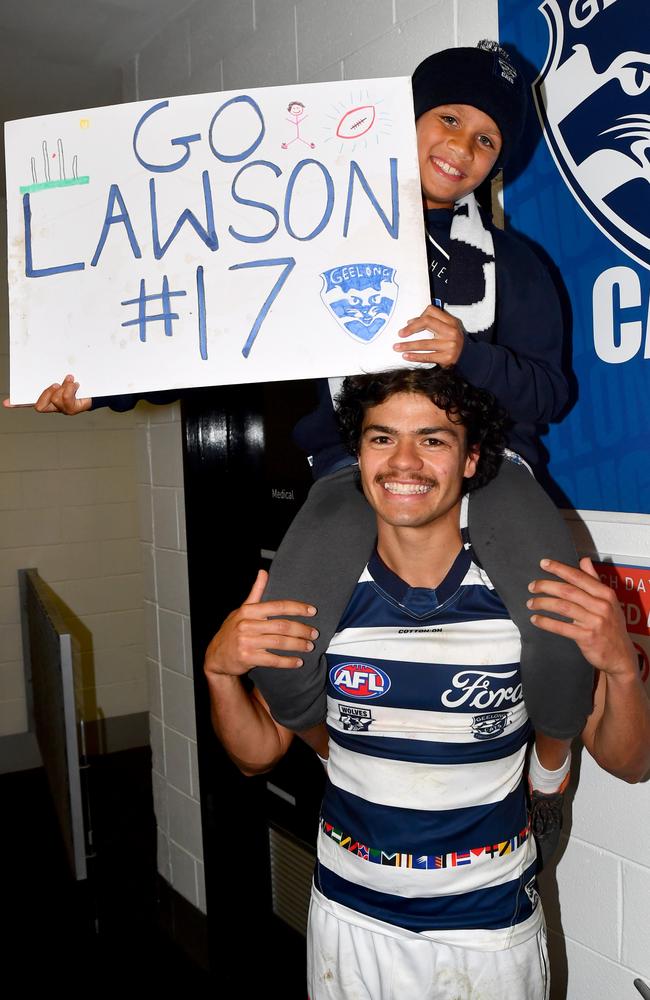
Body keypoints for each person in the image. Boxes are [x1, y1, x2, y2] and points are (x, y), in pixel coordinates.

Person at [5, 42, 593, 856]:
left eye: (488, 139)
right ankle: (344, 768)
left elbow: (551, 394)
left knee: (562, 634)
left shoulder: (517, 266)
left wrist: (471, 354)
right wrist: (93, 384)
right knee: (281, 656)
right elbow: (209, 337)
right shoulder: (308, 235)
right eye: (448, 118)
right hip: (355, 472)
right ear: (405, 121)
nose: (462, 146)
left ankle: (551, 773)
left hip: (487, 471)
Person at [204, 368, 650, 1000]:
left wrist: (621, 668)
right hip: (349, 921)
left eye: (433, 440)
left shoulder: (528, 605)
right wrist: (221, 672)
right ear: (355, 455)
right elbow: (255, 757)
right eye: (382, 439)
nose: (404, 462)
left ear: (472, 460)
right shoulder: (320, 605)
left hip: (488, 933)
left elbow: (632, 764)